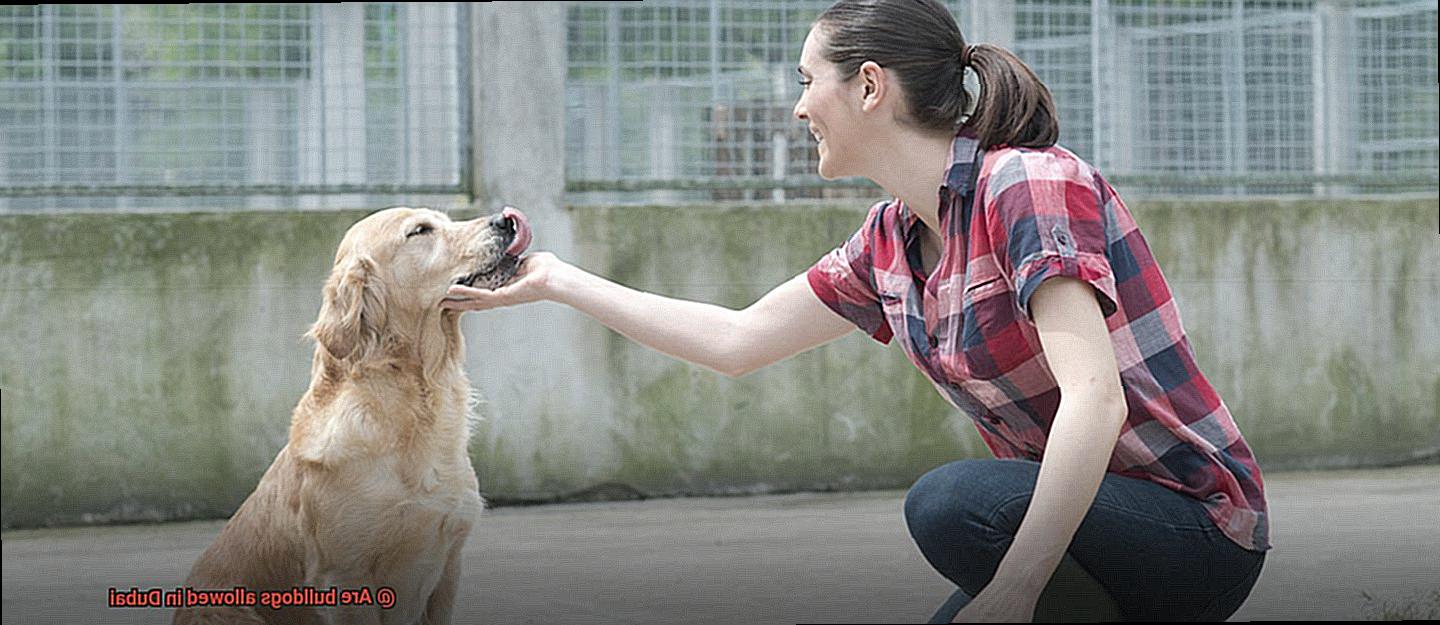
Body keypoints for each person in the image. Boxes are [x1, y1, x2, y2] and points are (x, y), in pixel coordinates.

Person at [443, 0, 1270, 621]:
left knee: (951, 505)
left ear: (869, 85)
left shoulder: (1026, 184)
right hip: (1084, 521)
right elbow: (737, 339)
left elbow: (1097, 396)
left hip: (1197, 530)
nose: (799, 107)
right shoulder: (888, 242)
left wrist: (1016, 589)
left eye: (809, 82)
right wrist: (553, 278)